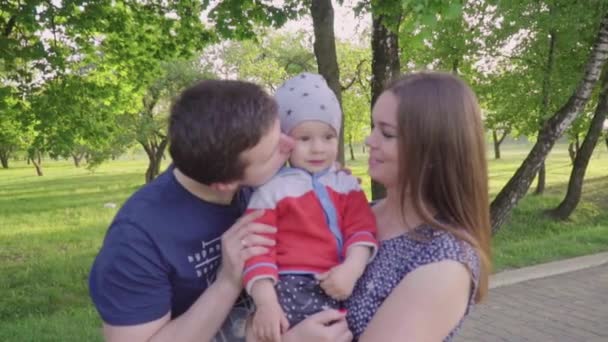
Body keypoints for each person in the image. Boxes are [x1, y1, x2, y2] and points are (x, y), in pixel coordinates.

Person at [88, 79, 352, 342]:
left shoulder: (262, 185)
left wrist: (329, 184)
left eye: (281, 131)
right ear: (224, 184)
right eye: (273, 151)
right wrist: (228, 281)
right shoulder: (137, 241)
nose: (290, 144)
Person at [344, 72, 492, 341]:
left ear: (434, 149)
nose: (369, 141)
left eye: (387, 133)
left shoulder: (444, 261)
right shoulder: (358, 214)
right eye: (373, 127)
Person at [243, 73, 378, 342]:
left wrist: (352, 268)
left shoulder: (346, 185)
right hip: (289, 288)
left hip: (342, 281)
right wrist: (266, 303)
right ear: (284, 141)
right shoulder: (271, 191)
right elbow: (256, 250)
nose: (318, 148)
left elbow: (362, 232)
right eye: (304, 138)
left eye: (328, 137)